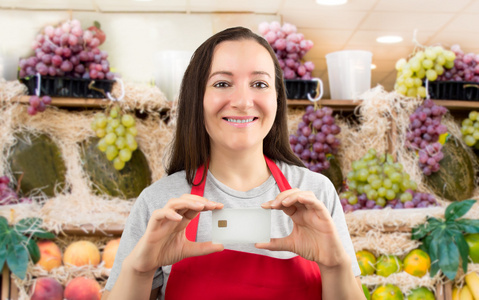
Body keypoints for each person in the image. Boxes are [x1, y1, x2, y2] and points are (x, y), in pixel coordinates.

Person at [103, 26, 364, 300]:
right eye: (222, 84)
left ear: (276, 98)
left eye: (260, 84)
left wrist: (335, 266)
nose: (242, 101)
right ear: (197, 98)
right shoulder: (160, 203)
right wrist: (140, 270)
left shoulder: (316, 193)